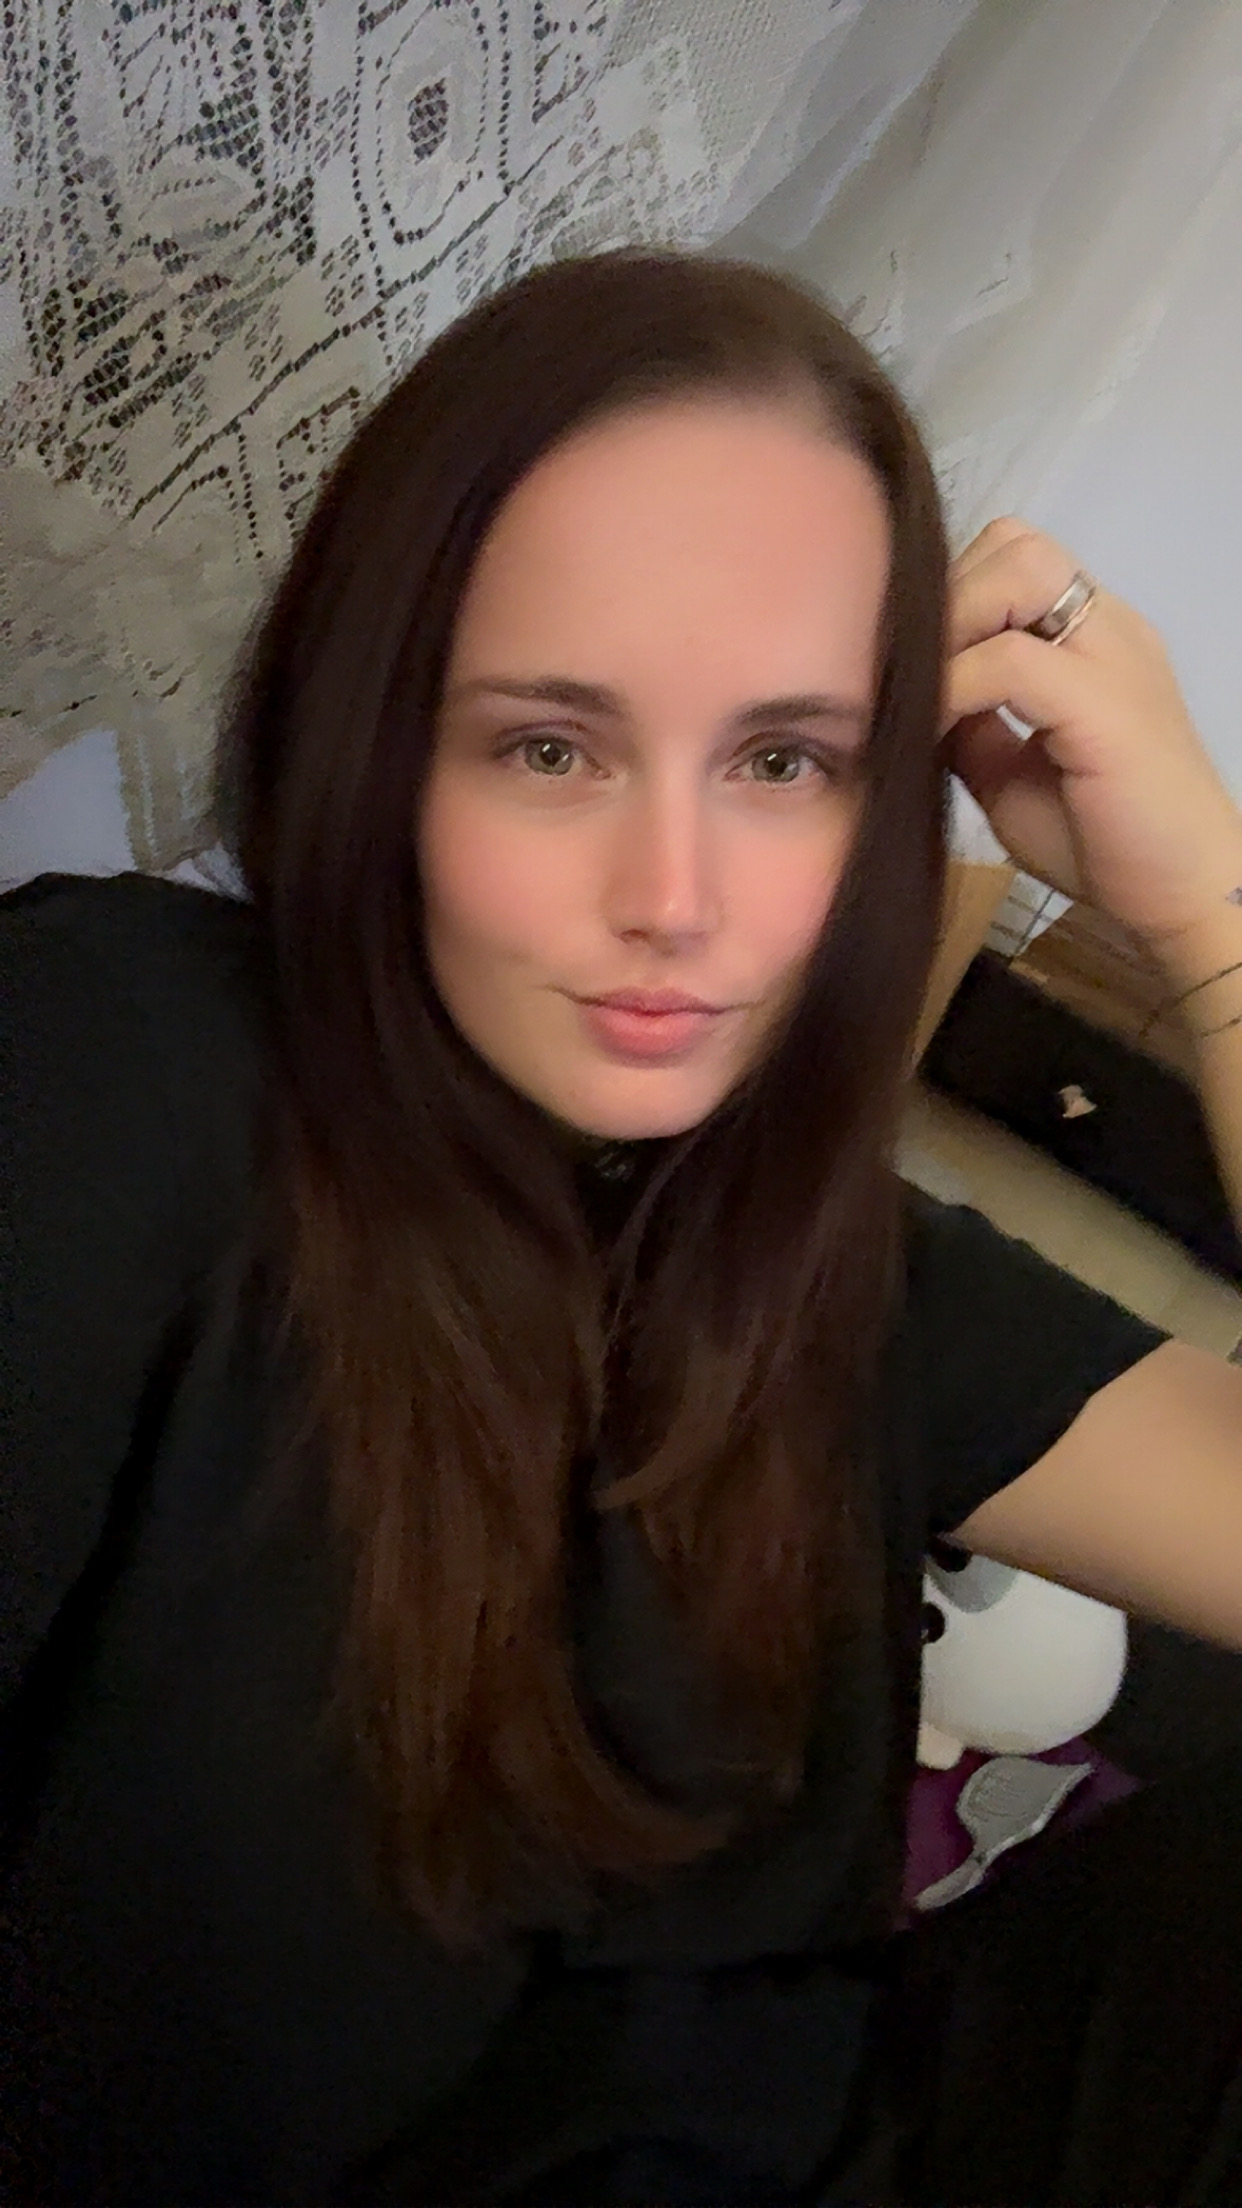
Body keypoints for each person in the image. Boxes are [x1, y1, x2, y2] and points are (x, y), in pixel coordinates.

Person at [3, 249, 1242, 2208]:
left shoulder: (824, 1263)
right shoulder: (121, 1061)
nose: (676, 896)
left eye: (781, 761)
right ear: (375, 742)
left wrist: (1207, 916)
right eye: (552, 748)